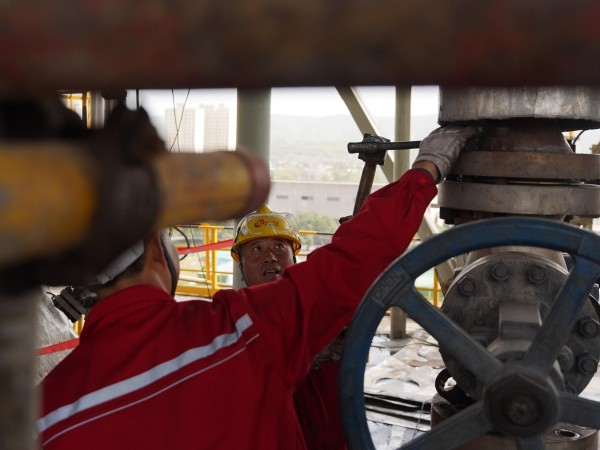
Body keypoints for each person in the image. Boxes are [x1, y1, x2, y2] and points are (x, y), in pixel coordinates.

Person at [37, 125, 480, 449]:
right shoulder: (239, 332)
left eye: (278, 249)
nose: (269, 258)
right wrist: (427, 168)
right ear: (157, 247)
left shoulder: (40, 417)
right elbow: (355, 257)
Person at [230, 205, 348, 450]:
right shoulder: (228, 325)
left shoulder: (323, 305)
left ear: (294, 258)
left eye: (279, 247)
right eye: (256, 249)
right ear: (241, 267)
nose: (270, 257)